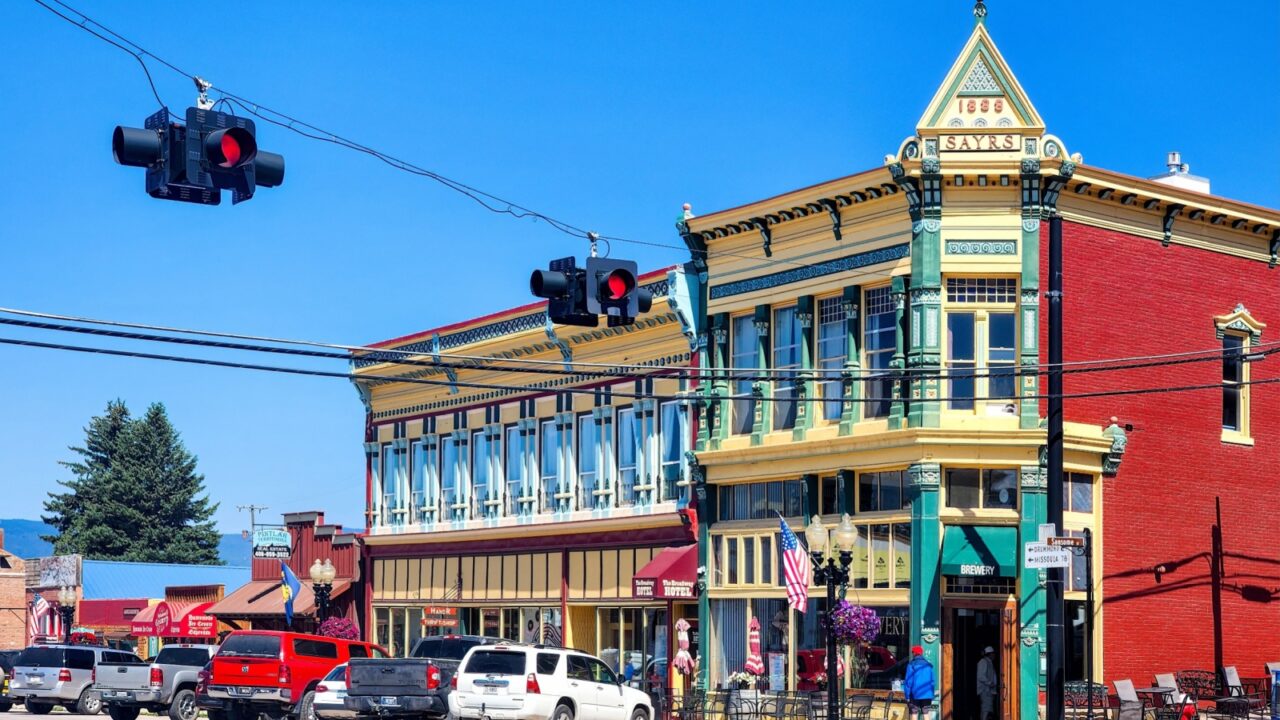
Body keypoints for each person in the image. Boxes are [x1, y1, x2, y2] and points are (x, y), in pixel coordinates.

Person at [903, 645, 936, 720]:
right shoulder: (928, 665)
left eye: (912, 652)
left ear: (914, 653)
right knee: (926, 714)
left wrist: (907, 696)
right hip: (927, 694)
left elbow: (908, 682)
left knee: (914, 714)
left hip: (915, 694)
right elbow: (933, 681)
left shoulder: (911, 665)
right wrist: (931, 693)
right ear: (921, 653)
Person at [976, 646, 997, 720]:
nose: (994, 655)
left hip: (989, 692)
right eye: (993, 654)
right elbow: (981, 676)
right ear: (990, 654)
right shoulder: (983, 662)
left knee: (988, 710)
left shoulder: (989, 662)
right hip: (985, 691)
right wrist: (990, 683)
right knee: (986, 710)